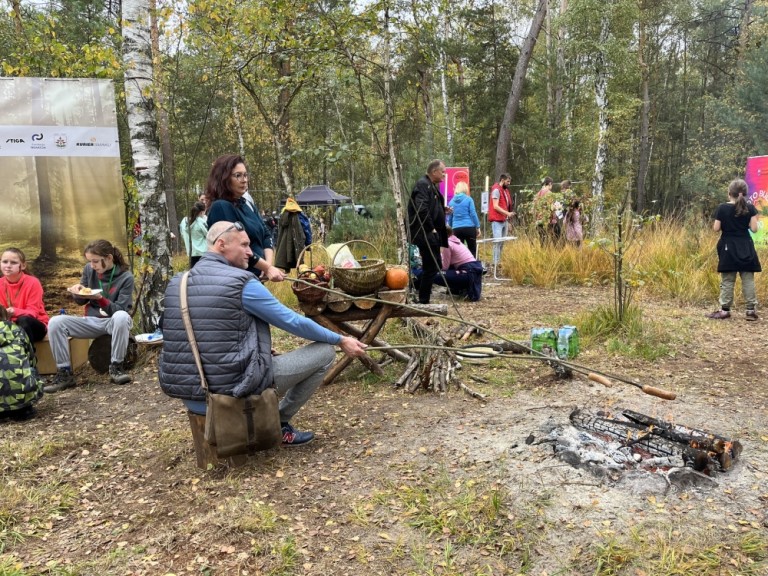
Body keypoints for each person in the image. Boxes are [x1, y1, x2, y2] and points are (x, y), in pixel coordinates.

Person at [158, 221, 368, 446]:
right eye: (244, 245)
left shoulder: (178, 282)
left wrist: (254, 345)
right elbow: (292, 321)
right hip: (229, 393)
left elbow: (186, 333)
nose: (251, 252)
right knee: (325, 353)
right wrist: (340, 339)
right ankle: (279, 421)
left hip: (190, 394)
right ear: (221, 244)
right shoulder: (241, 283)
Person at [44, 240, 135, 393]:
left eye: (95, 261)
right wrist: (77, 291)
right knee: (55, 322)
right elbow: (81, 300)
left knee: (121, 316)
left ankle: (116, 367)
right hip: (91, 321)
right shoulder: (89, 269)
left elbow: (120, 309)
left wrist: (100, 298)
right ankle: (64, 373)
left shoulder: (126, 277)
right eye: (89, 261)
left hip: (113, 322)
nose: (92, 266)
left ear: (109, 258)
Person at [204, 154, 284, 281]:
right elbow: (236, 248)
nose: (244, 180)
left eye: (245, 175)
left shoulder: (246, 203)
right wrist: (267, 268)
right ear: (223, 178)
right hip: (236, 280)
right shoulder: (221, 207)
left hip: (254, 277)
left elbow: (266, 235)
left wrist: (267, 265)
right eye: (238, 175)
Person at [707, 179, 761, 320]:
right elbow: (754, 229)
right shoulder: (750, 208)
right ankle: (750, 311)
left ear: (729, 193)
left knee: (728, 280)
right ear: (745, 193)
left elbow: (716, 229)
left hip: (728, 248)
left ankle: (725, 310)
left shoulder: (722, 208)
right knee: (748, 280)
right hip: (746, 246)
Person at [408, 160, 449, 304]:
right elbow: (422, 209)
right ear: (434, 172)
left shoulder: (431, 186)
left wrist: (442, 209)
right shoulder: (422, 185)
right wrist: (431, 228)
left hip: (431, 232)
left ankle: (419, 292)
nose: (444, 174)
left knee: (434, 264)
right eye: (442, 171)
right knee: (431, 265)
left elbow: (430, 206)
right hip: (424, 232)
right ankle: (423, 299)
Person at [0, 305, 43, 421]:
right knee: (30, 368)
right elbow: (31, 359)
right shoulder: (17, 330)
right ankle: (23, 410)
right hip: (22, 396)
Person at [0, 247, 48, 344]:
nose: (8, 266)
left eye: (13, 263)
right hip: (8, 326)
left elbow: (33, 313)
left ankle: (28, 357)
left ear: (23, 266)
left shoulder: (33, 282)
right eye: (5, 262)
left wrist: (14, 311)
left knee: (23, 321)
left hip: (33, 324)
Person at [433, 227, 484, 302]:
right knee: (450, 269)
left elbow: (444, 266)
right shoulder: (456, 241)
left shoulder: (447, 244)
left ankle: (459, 288)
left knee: (432, 275)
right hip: (473, 269)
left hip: (468, 272)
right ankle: (458, 289)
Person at [488, 173, 514, 267]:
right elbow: (495, 206)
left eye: (509, 181)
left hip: (504, 220)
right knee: (497, 242)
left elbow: (507, 206)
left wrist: (508, 219)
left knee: (502, 242)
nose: (509, 183)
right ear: (502, 180)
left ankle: (498, 262)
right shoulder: (496, 190)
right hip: (497, 221)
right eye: (507, 181)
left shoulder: (505, 191)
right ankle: (495, 263)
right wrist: (507, 213)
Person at [448, 181, 481, 257]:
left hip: (456, 229)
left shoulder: (451, 202)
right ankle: (473, 267)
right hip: (469, 228)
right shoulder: (469, 199)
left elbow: (450, 218)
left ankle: (462, 267)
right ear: (465, 189)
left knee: (460, 252)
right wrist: (478, 226)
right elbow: (473, 214)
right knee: (472, 250)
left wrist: (450, 229)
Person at [275, 198, 307, 271]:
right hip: (297, 244)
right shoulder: (300, 215)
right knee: (300, 265)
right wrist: (308, 243)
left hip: (285, 246)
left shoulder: (283, 215)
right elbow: (306, 229)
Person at [179, 202, 208, 268]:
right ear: (201, 212)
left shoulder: (187, 222)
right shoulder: (201, 222)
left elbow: (183, 233)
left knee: (194, 272)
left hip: (192, 252)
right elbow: (207, 234)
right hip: (202, 252)